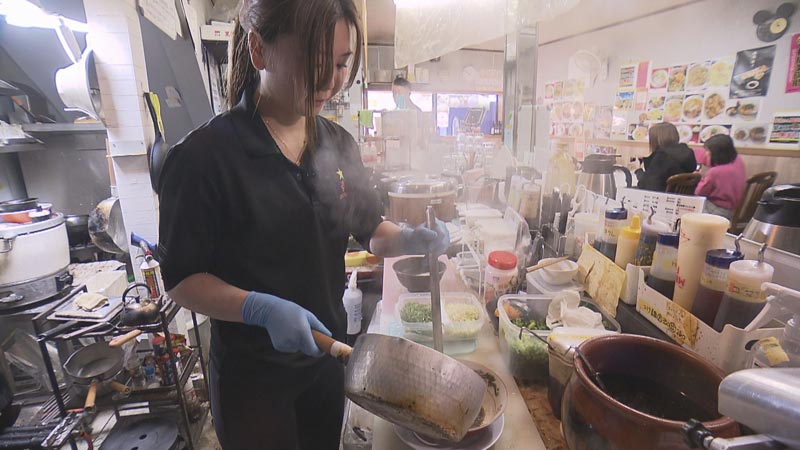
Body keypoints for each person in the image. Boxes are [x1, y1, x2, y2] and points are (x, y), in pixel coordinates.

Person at [156, 1, 449, 449]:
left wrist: (408, 239)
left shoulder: (337, 144)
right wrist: (259, 307)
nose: (330, 82)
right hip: (252, 383)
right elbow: (180, 279)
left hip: (326, 363)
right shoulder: (204, 158)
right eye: (315, 63)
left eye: (340, 64)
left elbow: (371, 228)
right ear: (259, 50)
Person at [694, 134, 746, 219]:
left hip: (717, 211)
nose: (706, 154)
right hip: (731, 209)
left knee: (688, 205)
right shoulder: (738, 160)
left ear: (717, 154)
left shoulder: (715, 172)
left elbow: (699, 192)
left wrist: (699, 179)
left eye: (708, 151)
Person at [635, 122, 697, 192]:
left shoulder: (662, 157)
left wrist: (638, 170)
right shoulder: (688, 153)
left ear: (655, 140)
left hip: (661, 199)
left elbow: (646, 186)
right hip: (682, 199)